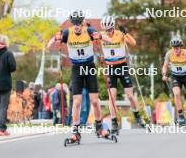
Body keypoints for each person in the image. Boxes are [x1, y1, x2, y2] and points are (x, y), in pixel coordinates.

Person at [47, 11, 111, 141]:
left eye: (78, 23)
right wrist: (54, 40)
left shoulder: (89, 30)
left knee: (94, 100)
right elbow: (50, 45)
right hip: (76, 69)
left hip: (89, 67)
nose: (76, 26)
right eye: (74, 23)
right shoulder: (67, 33)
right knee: (77, 102)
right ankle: (76, 131)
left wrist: (100, 37)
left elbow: (108, 39)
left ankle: (99, 127)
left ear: (82, 22)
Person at [99, 16, 145, 134]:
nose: (108, 32)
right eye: (106, 30)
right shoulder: (101, 35)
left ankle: (137, 116)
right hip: (110, 68)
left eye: (109, 29)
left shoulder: (119, 34)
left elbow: (133, 43)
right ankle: (114, 123)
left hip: (122, 66)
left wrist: (126, 34)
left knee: (130, 95)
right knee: (112, 97)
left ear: (113, 26)